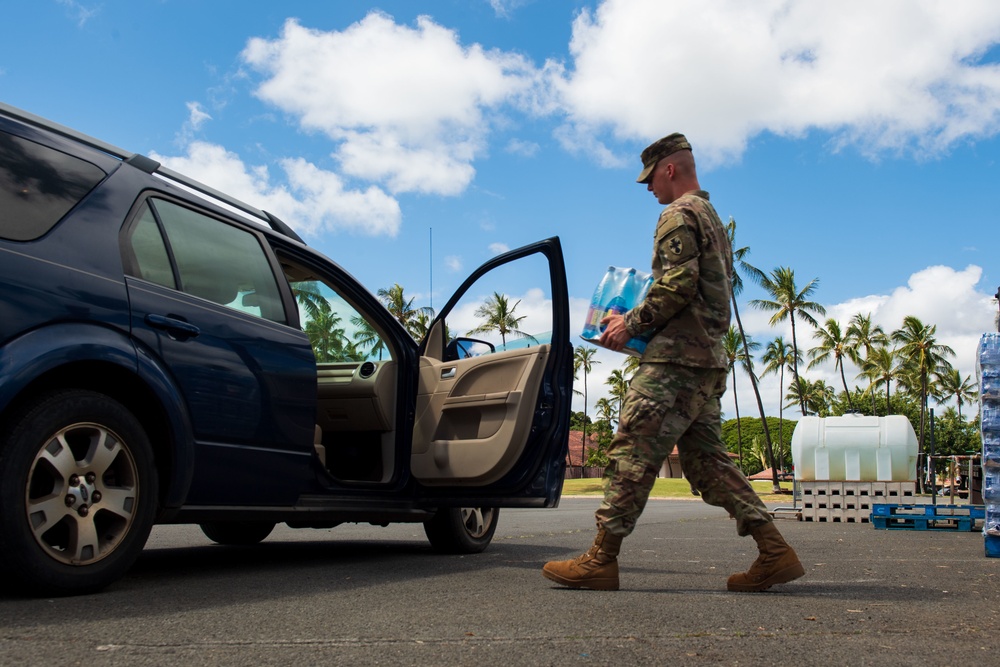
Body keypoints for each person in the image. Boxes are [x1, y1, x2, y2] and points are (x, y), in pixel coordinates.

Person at [542, 133, 805, 592]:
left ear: (669, 169)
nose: (647, 188)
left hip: (675, 364)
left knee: (630, 454)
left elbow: (677, 286)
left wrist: (630, 325)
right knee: (706, 466)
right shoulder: (712, 219)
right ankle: (774, 551)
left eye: (649, 179)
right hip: (705, 363)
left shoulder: (677, 214)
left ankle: (601, 560)